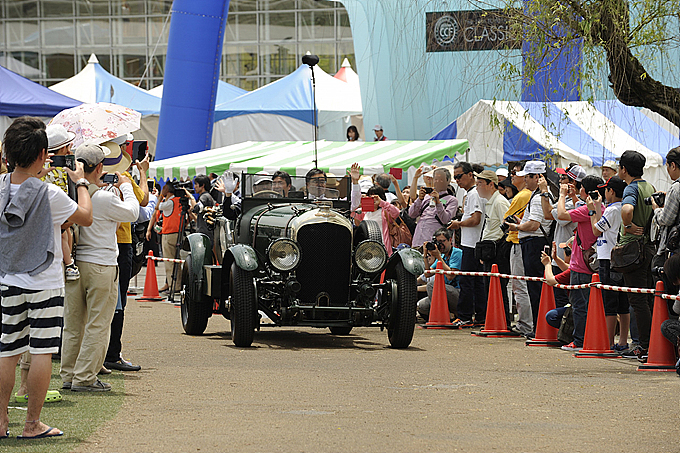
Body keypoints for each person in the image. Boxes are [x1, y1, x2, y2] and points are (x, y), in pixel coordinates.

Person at [0, 117, 92, 439]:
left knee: (7, 350)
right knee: (42, 351)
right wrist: (80, 182)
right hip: (44, 279)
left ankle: (0, 422)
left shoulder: (0, 188)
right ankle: (31, 425)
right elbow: (86, 217)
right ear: (42, 154)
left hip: (8, 277)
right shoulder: (50, 194)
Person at [61, 143, 139, 392]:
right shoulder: (103, 197)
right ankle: (85, 377)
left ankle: (70, 374)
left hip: (75, 262)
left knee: (73, 323)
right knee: (98, 323)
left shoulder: (70, 193)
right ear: (100, 168)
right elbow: (134, 212)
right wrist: (126, 186)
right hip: (101, 264)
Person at [101, 137, 148, 373]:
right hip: (121, 244)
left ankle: (101, 353)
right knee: (118, 301)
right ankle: (112, 353)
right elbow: (142, 203)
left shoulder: (91, 181)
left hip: (99, 246)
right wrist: (143, 174)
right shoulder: (125, 179)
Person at [616, 150, 656, 360]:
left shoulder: (631, 188)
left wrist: (628, 225)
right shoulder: (649, 186)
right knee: (648, 299)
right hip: (649, 248)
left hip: (633, 250)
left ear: (624, 169)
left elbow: (627, 209)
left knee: (638, 300)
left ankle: (645, 345)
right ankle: (651, 343)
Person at [505, 161, 554, 333]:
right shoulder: (537, 195)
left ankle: (538, 328)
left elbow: (534, 225)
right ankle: (537, 326)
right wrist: (520, 223)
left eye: (528, 176)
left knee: (535, 287)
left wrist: (517, 227)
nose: (525, 179)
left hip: (534, 244)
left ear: (538, 177)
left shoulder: (540, 196)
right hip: (532, 243)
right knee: (533, 286)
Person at [556, 174, 604, 351]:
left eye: (581, 187)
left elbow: (561, 214)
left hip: (581, 266)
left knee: (579, 306)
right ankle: (585, 339)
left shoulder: (587, 211)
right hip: (591, 264)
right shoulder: (600, 208)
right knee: (587, 305)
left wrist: (561, 195)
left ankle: (579, 341)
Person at [587, 176, 630, 351]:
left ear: (611, 191)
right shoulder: (622, 208)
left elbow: (596, 230)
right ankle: (622, 341)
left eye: (605, 189)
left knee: (609, 303)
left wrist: (591, 211)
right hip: (620, 259)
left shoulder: (612, 210)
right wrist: (597, 207)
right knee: (622, 303)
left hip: (607, 258)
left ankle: (609, 341)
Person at [539, 164, 583, 308]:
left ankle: (567, 329)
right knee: (561, 299)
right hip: (560, 256)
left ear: (573, 182)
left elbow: (553, 215)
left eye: (563, 177)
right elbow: (548, 214)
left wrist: (545, 191)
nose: (559, 180)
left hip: (568, 258)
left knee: (566, 301)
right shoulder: (568, 201)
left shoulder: (573, 203)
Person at [448, 162, 486, 327]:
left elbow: (476, 219)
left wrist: (459, 223)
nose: (457, 180)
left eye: (459, 176)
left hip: (473, 244)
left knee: (467, 281)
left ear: (470, 175)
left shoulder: (474, 194)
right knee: (475, 282)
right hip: (470, 243)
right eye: (455, 177)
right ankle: (479, 316)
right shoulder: (471, 193)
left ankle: (465, 316)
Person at [43, 124, 79, 281]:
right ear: (63, 148)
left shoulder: (41, 165)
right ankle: (69, 263)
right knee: (66, 233)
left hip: (44, 215)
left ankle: (69, 263)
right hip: (60, 213)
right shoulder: (65, 168)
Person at [475, 170, 512, 323]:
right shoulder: (491, 201)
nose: (477, 187)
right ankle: (495, 321)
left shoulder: (500, 201)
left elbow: (508, 225)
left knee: (497, 287)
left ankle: (502, 322)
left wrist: (499, 249)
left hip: (498, 251)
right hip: (489, 250)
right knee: (489, 288)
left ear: (491, 184)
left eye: (480, 184)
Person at [502, 162, 534, 335]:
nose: (512, 175)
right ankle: (527, 323)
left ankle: (525, 324)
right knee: (523, 285)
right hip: (522, 242)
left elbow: (507, 220)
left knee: (519, 285)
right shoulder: (528, 194)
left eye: (517, 173)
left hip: (518, 242)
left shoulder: (522, 195)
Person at [651, 146, 680, 294]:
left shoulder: (676, 188)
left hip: (675, 252)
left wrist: (656, 208)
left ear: (673, 165)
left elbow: (666, 219)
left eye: (668, 166)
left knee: (667, 295)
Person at [416, 228, 462, 321]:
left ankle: (446, 316)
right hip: (445, 292)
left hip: (458, 292)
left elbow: (450, 276)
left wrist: (438, 256)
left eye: (442, 241)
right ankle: (445, 315)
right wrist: (425, 255)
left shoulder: (457, 253)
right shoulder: (442, 255)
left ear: (450, 240)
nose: (440, 245)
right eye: (438, 242)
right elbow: (428, 274)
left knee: (432, 285)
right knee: (422, 306)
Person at [408, 167, 458, 249]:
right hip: (418, 241)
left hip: (435, 243)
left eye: (441, 179)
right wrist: (419, 199)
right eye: (436, 179)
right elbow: (412, 214)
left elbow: (445, 219)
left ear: (448, 181)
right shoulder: (426, 197)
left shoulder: (452, 200)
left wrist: (438, 202)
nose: (437, 182)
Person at [353, 185, 401, 254]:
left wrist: (382, 202)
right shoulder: (364, 212)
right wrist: (358, 203)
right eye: (370, 196)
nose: (372, 199)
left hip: (382, 248)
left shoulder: (385, 211)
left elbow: (396, 213)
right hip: (366, 248)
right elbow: (355, 219)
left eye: (375, 197)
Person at [187, 174, 217, 247]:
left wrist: (191, 197)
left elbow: (196, 208)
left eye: (196, 184)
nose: (194, 187)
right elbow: (200, 219)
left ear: (202, 185)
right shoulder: (206, 196)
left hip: (205, 235)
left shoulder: (205, 196)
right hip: (205, 233)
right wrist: (190, 213)